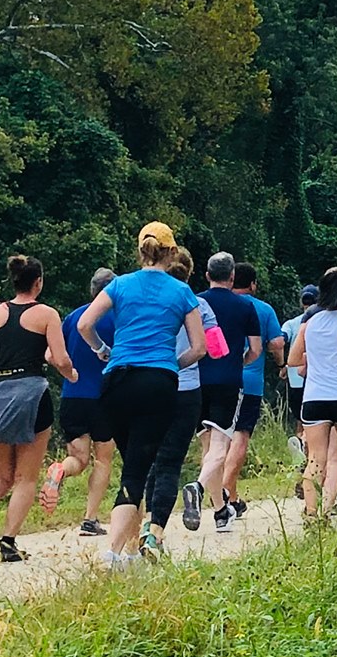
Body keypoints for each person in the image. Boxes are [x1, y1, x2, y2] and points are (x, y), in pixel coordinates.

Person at [74, 222, 206, 564]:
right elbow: (200, 348)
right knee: (138, 469)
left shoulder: (119, 285)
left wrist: (103, 350)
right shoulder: (182, 292)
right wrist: (171, 364)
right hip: (157, 383)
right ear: (172, 252)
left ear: (140, 251)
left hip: (115, 381)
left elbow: (83, 324)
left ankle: (129, 550)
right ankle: (113, 553)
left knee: (131, 465)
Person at [0, 255, 77, 563]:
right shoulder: (46, 314)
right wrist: (71, 375)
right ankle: (8, 543)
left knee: (1, 475)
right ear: (38, 282)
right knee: (25, 478)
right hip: (31, 394)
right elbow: (61, 359)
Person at [145, 249, 224, 555]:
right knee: (169, 462)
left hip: (151, 383)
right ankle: (155, 533)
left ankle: (143, 522)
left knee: (149, 458)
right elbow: (215, 349)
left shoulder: (150, 301)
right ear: (191, 275)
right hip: (187, 387)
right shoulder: (199, 304)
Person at [186, 252, 262, 530]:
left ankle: (221, 512)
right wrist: (237, 362)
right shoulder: (245, 307)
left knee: (208, 449)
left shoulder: (193, 301)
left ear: (206, 275)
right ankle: (197, 487)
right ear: (232, 277)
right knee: (220, 448)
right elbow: (255, 349)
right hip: (228, 382)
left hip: (195, 382)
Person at [287, 265, 337, 518]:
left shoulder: (308, 324)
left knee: (316, 458)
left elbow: (292, 360)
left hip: (314, 398)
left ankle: (312, 511)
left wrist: (315, 358)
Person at [48, 267, 117, 534]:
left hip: (72, 395)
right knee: (103, 458)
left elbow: (50, 354)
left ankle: (60, 471)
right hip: (105, 397)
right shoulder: (119, 318)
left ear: (91, 290)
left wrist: (68, 372)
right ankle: (90, 518)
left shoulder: (74, 317)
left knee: (77, 458)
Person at [218, 262, 285, 521]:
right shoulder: (262, 309)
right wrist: (281, 363)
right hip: (250, 381)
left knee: (218, 438)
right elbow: (276, 343)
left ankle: (230, 498)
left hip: (217, 379)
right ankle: (224, 490)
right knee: (240, 436)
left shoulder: (214, 304)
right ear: (253, 284)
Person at [280, 284, 319, 436]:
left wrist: (283, 364)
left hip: (295, 378)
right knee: (316, 418)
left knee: (299, 418)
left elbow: (280, 341)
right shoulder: (323, 322)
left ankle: (300, 443)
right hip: (317, 378)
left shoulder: (291, 323)